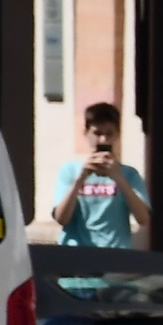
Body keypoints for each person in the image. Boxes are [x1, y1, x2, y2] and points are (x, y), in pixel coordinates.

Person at [51, 103, 151, 248]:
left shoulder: (129, 174)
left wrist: (119, 178)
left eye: (109, 134)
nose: (103, 140)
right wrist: (80, 179)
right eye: (97, 134)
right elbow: (61, 218)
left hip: (115, 256)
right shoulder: (70, 171)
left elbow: (143, 219)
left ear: (117, 134)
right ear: (86, 133)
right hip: (77, 255)